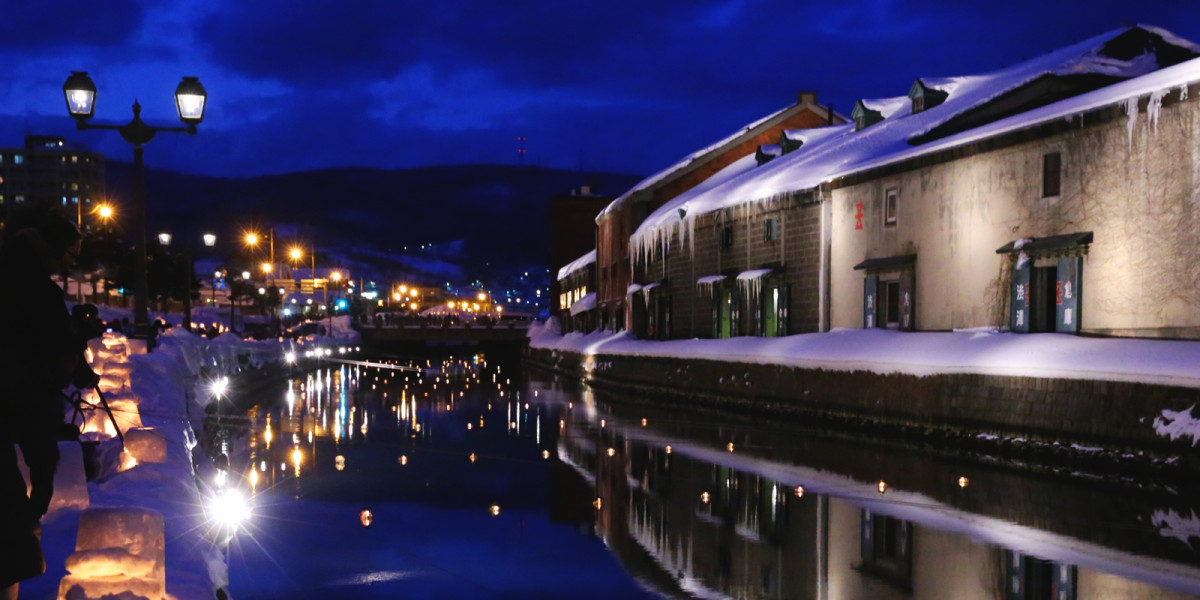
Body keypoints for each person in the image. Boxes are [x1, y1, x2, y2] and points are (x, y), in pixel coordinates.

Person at [0, 209, 92, 599]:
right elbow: (46, 355)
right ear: (54, 248)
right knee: (12, 535)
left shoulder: (12, 267)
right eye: (71, 254)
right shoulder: (34, 289)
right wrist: (39, 494)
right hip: (17, 400)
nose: (71, 263)